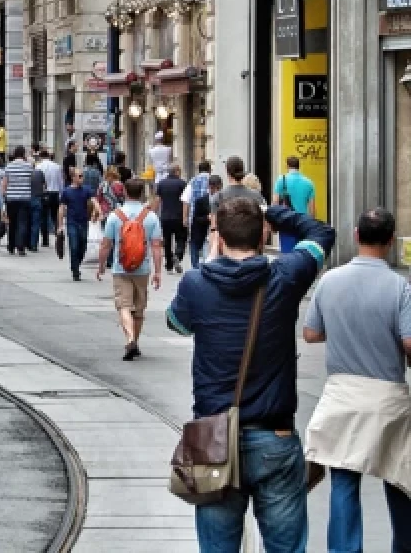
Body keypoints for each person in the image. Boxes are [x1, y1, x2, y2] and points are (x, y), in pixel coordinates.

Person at [166, 199, 334, 551]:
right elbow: (321, 233)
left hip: (214, 440)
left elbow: (176, 323)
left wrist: (212, 256)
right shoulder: (286, 276)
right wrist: (270, 211)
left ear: (219, 236)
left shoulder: (196, 283)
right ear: (261, 234)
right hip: (275, 436)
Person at [301, 207, 411, 552]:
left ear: (356, 236)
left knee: (344, 480)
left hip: (342, 396)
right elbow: (409, 343)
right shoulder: (399, 287)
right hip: (387, 398)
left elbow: (311, 333)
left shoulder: (330, 280)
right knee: (399, 479)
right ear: (391, 241)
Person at [97, 179, 163, 361]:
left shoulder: (115, 215)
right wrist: (158, 272)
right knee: (139, 309)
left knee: (124, 306)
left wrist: (102, 265)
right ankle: (136, 342)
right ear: (142, 193)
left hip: (121, 267)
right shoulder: (150, 217)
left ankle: (130, 339)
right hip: (142, 269)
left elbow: (106, 244)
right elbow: (156, 247)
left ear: (125, 192)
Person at [57, 168, 101, 281]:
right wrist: (60, 226)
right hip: (71, 222)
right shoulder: (66, 192)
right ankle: (75, 269)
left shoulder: (86, 190)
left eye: (82, 176)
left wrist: (98, 210)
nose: (82, 178)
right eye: (80, 176)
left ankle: (77, 263)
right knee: (74, 246)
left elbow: (94, 201)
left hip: (83, 222)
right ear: (73, 178)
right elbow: (61, 209)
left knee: (83, 245)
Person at [272, 156, 317, 253]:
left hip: (286, 222)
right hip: (302, 223)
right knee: (301, 253)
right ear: (298, 166)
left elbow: (275, 203)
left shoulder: (281, 180)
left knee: (287, 253)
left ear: (287, 166)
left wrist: (273, 222)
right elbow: (312, 210)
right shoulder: (309, 183)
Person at [210, 155, 265, 229]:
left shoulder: (218, 197)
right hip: (251, 239)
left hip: (226, 239)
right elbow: (264, 225)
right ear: (243, 170)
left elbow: (214, 227)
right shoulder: (257, 196)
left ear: (227, 172)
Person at [153, 164, 188, 274]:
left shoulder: (161, 183)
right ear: (177, 171)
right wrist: (185, 217)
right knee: (181, 238)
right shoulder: (182, 183)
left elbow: (158, 200)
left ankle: (169, 266)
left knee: (167, 241)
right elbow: (185, 202)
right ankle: (177, 255)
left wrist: (153, 214)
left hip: (165, 217)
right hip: (178, 216)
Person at [0, 147, 34, 256]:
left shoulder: (9, 167)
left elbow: (4, 184)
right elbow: (31, 181)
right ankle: (21, 247)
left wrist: (3, 195)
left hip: (11, 198)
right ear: (23, 154)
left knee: (12, 223)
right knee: (22, 223)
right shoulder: (28, 166)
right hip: (24, 198)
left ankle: (11, 246)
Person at [181, 161, 213, 268]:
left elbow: (186, 200)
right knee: (207, 240)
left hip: (195, 217)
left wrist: (184, 217)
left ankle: (195, 266)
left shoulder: (192, 181)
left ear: (198, 170)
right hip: (210, 215)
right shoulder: (213, 180)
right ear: (209, 169)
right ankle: (206, 263)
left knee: (194, 242)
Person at [36, 149, 64, 245]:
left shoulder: (38, 166)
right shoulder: (57, 166)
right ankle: (58, 235)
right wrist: (61, 194)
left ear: (40, 156)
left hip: (43, 193)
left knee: (43, 216)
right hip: (55, 193)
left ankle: (45, 240)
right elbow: (61, 182)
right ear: (48, 156)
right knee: (55, 215)